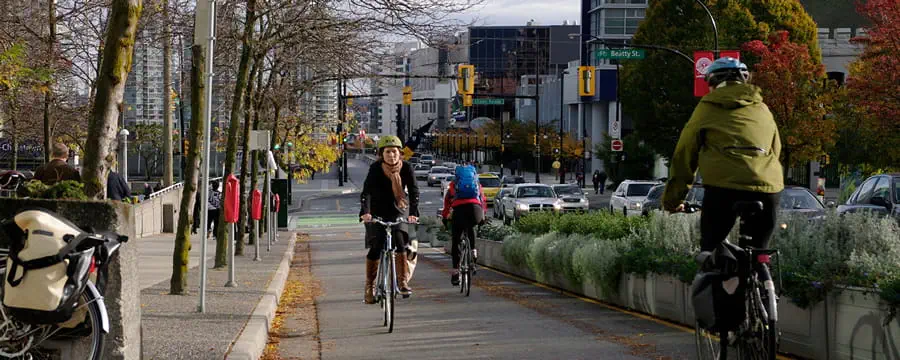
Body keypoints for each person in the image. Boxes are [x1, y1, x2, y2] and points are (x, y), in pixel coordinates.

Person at [662, 57, 783, 262]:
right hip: (767, 187)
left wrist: (674, 200)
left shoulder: (707, 107)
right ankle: (764, 285)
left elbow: (684, 153)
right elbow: (776, 149)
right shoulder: (762, 108)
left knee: (711, 250)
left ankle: (715, 279)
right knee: (758, 252)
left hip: (723, 189)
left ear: (712, 83)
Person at [359, 135, 419, 303]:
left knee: (400, 242)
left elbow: (414, 192)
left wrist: (413, 212)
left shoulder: (406, 168)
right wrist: (366, 212)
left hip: (398, 210)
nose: (391, 155)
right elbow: (367, 192)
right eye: (387, 152)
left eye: (394, 152)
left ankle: (402, 281)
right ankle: (369, 286)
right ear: (381, 154)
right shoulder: (375, 168)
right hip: (376, 211)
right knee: (376, 245)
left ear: (400, 153)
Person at [441, 164, 487, 286]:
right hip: (475, 210)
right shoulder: (477, 184)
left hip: (459, 211)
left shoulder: (453, 185)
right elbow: (483, 200)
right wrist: (482, 217)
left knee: (456, 240)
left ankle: (456, 272)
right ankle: (473, 253)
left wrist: (445, 218)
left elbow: (447, 203)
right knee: (470, 227)